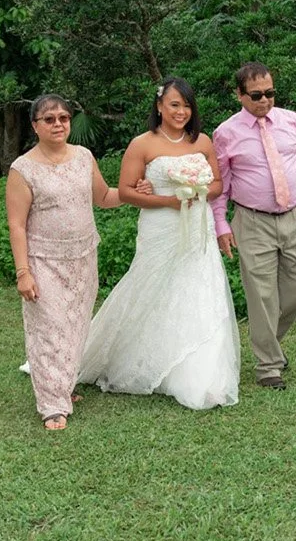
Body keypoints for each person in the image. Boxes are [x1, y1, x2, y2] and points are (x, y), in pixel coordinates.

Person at [79, 78, 242, 409]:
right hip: (160, 226)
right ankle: (135, 357)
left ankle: (200, 375)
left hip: (197, 226)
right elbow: (126, 191)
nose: (181, 112)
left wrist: (198, 190)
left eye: (187, 105)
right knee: (151, 286)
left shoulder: (202, 141)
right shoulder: (143, 144)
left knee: (198, 289)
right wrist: (170, 201)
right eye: (174, 105)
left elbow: (217, 184)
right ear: (159, 106)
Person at [5, 95, 125, 429]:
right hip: (43, 261)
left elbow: (104, 197)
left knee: (75, 327)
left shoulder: (84, 157)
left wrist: (135, 192)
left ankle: (63, 385)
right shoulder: (22, 169)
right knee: (49, 329)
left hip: (83, 257)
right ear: (35, 126)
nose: (58, 124)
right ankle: (52, 405)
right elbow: (16, 225)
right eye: (49, 119)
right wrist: (23, 272)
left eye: (64, 118)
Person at [210, 62, 296, 391]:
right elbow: (221, 185)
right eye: (256, 95)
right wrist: (221, 224)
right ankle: (268, 366)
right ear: (240, 95)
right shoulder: (226, 133)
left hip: (293, 216)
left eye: (270, 93)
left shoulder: (291, 121)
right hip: (252, 221)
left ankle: (269, 343)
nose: (265, 100)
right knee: (261, 295)